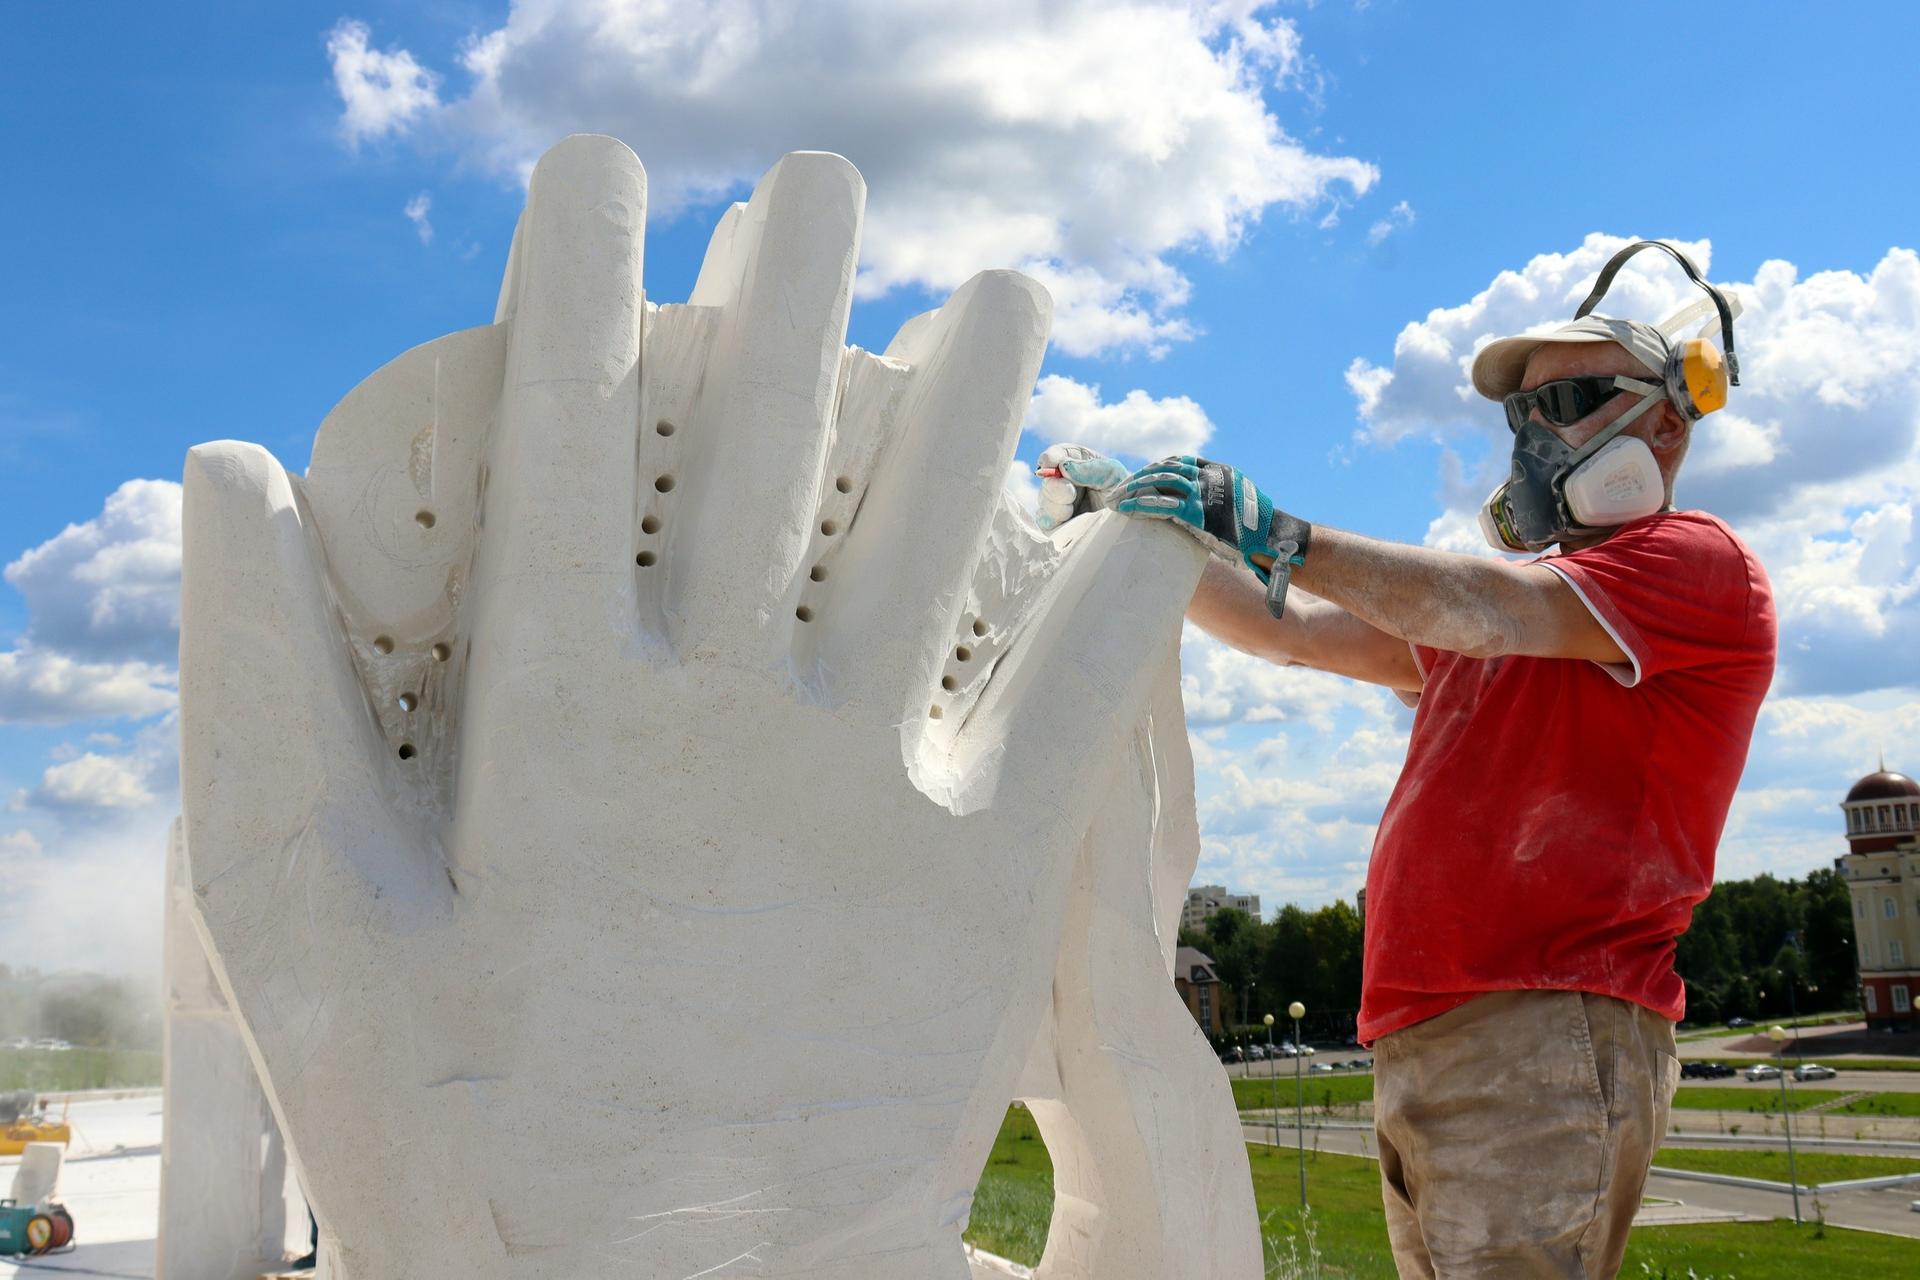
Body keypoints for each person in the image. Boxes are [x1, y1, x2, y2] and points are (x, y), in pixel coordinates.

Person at [1048, 242, 1776, 1277]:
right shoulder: (1515, 623)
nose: (1532, 435)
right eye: (1518, 414)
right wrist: (1139, 529)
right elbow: (1293, 628)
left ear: (1664, 420)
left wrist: (1280, 530)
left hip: (1546, 1024)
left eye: (1563, 399)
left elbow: (1482, 603)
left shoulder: (1693, 565)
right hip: (1430, 1032)